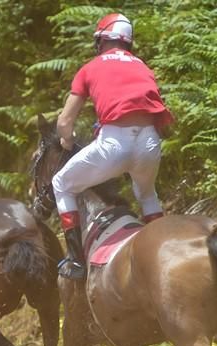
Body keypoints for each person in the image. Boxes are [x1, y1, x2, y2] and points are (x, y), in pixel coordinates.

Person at [52, 13, 175, 280]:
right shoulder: (142, 66)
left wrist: (68, 140)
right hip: (150, 141)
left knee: (61, 183)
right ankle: (164, 246)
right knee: (147, 194)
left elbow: (65, 122)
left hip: (114, 143)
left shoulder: (90, 67)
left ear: (102, 40)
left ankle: (76, 261)